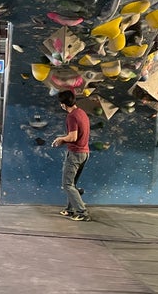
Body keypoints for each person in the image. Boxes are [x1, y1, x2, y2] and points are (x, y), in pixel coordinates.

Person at [51, 90, 91, 221]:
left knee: (67, 185)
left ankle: (82, 212)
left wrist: (60, 139)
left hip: (75, 154)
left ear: (63, 104)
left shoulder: (72, 116)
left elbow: (73, 137)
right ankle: (70, 209)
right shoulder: (82, 113)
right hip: (84, 153)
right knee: (71, 184)